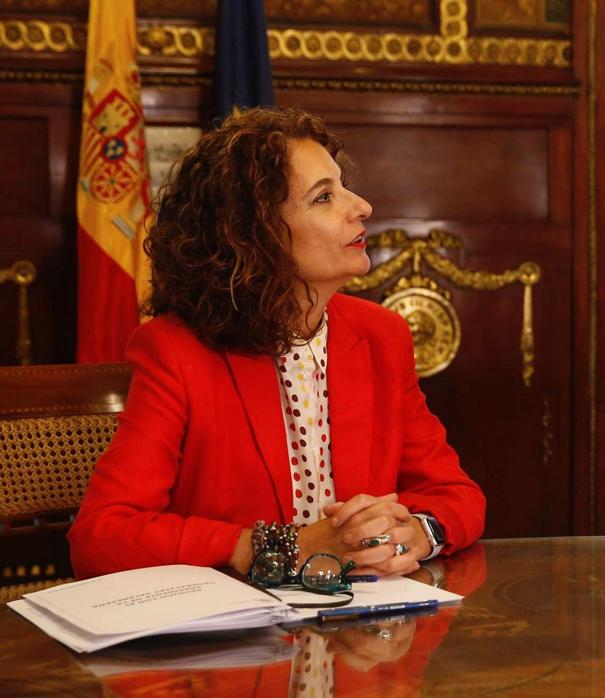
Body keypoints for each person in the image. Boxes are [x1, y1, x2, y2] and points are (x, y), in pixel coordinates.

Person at [69, 106, 486, 580]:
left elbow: (457, 495)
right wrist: (277, 546)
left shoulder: (380, 336)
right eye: (325, 197)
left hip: (368, 635)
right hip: (238, 643)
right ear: (255, 234)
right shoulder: (174, 351)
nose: (362, 206)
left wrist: (417, 530)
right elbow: (100, 537)